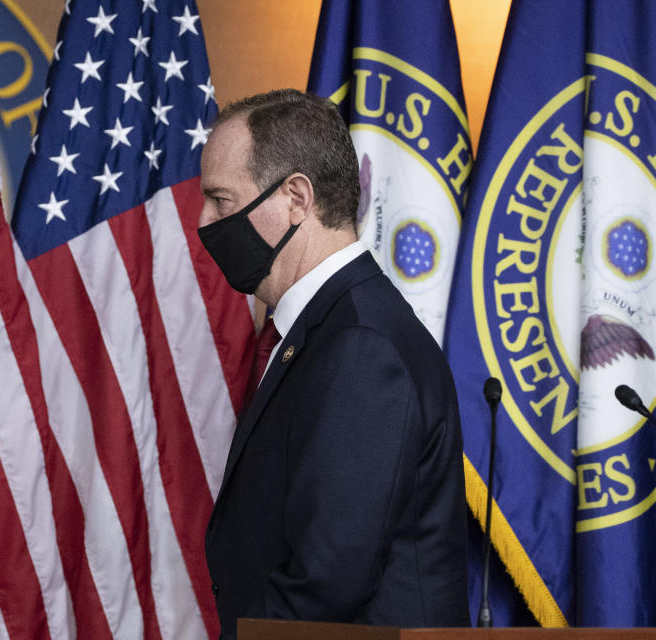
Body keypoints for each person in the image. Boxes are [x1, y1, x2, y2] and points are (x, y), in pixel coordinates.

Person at [198, 89, 469, 639]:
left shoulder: (360, 345)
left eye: (221, 200)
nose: (204, 221)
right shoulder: (329, 326)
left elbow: (325, 582)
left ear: (296, 198)